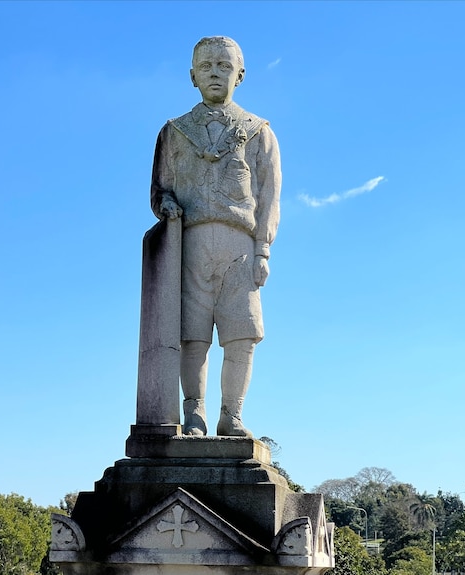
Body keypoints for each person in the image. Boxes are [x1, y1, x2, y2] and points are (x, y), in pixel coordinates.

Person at [150, 36, 281, 437]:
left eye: (224, 66)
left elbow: (269, 196)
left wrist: (263, 250)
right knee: (191, 332)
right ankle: (194, 413)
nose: (214, 73)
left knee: (242, 332)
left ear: (239, 75)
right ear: (192, 75)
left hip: (240, 246)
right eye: (205, 66)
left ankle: (232, 414)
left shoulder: (259, 133)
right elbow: (159, 189)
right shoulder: (174, 133)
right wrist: (166, 205)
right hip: (189, 244)